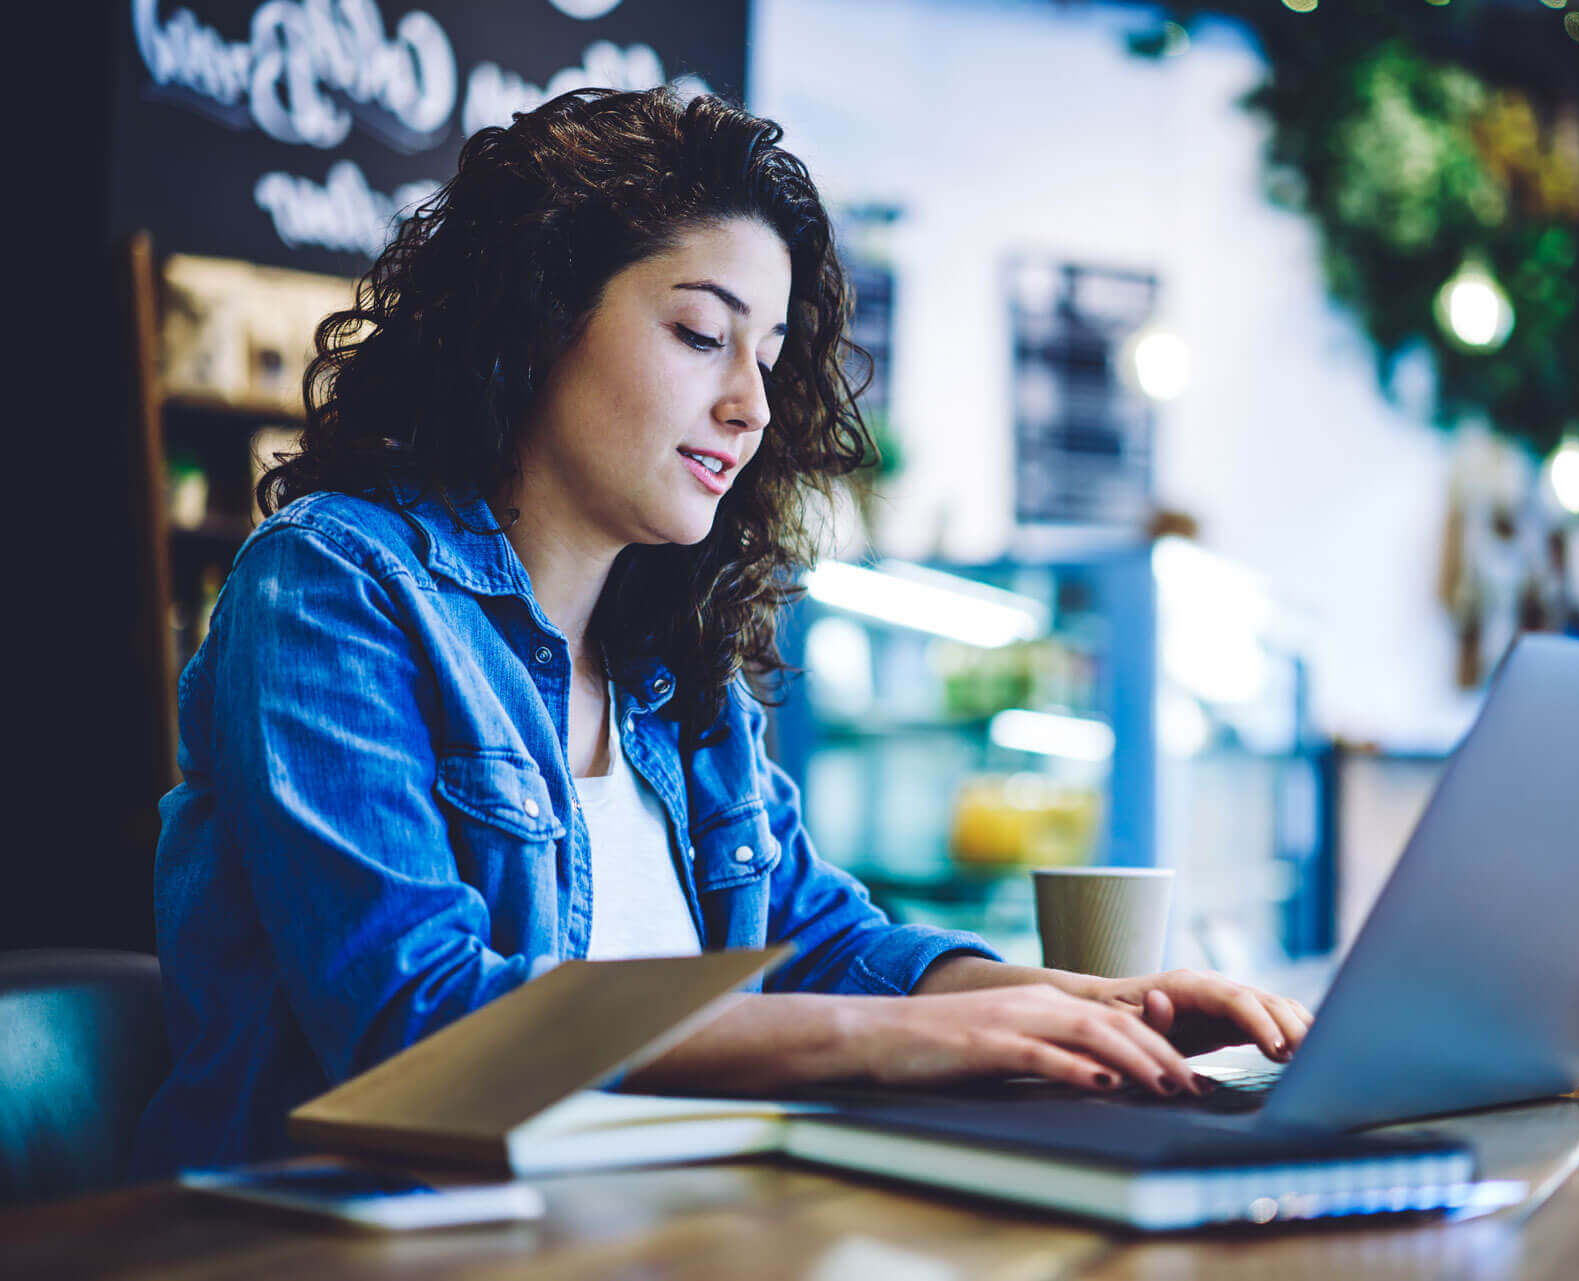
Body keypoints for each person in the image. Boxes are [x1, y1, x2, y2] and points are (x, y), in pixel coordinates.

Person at [132, 87, 1312, 1174]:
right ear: (537, 321)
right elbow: (416, 1025)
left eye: (772, 356)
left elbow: (813, 934)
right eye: (703, 335)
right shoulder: (334, 586)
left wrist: (1086, 1005)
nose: (748, 404)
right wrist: (888, 1041)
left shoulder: (666, 657)